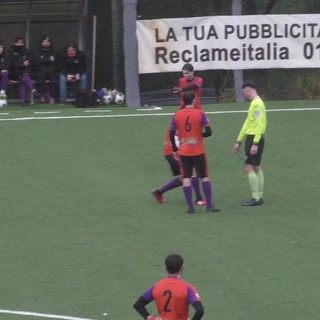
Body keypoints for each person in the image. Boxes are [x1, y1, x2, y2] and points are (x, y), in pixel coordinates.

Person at [170, 91, 220, 213]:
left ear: (183, 101)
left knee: (186, 177)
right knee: (204, 177)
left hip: (184, 151)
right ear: (194, 100)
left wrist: (175, 149)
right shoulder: (200, 113)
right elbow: (209, 132)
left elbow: (172, 134)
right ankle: (209, 206)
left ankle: (191, 208)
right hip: (198, 150)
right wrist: (199, 135)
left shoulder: (177, 115)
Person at [133, 254, 204, 320]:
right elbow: (199, 311)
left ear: (166, 268)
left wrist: (151, 318)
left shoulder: (156, 286)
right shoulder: (188, 289)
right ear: (182, 268)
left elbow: (138, 305)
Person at [152, 125, 207, 206]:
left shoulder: (179, 119)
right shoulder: (182, 122)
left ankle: (159, 192)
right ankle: (199, 199)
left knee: (185, 177)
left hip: (171, 152)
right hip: (174, 152)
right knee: (192, 172)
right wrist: (195, 140)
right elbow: (179, 141)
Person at [232, 80, 267, 206]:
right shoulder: (255, 103)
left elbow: (261, 125)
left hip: (254, 138)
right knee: (256, 166)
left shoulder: (257, 104)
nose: (244, 95)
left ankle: (256, 197)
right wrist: (239, 141)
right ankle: (259, 196)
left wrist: (255, 143)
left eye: (244, 92)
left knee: (248, 167)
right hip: (252, 138)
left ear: (248, 89)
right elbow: (247, 123)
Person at [8, 36, 37, 106]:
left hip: (23, 73)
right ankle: (33, 90)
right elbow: (11, 64)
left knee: (23, 78)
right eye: (18, 43)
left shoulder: (26, 51)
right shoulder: (10, 51)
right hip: (13, 73)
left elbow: (30, 63)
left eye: (21, 43)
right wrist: (22, 64)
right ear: (14, 43)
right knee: (23, 76)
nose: (19, 44)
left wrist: (25, 68)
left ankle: (23, 101)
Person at [32, 36, 59, 104]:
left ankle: (52, 97)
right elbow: (35, 64)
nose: (46, 43)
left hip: (52, 71)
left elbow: (57, 64)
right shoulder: (37, 52)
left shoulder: (54, 52)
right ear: (41, 43)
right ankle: (43, 95)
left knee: (55, 79)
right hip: (40, 71)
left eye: (47, 41)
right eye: (44, 41)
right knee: (40, 78)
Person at [59, 40, 87, 105]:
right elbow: (61, 67)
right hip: (67, 73)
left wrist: (79, 74)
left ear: (76, 50)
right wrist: (67, 75)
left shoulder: (81, 55)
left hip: (78, 73)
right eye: (69, 50)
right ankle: (63, 99)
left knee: (84, 78)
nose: (71, 52)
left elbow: (83, 67)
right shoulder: (63, 55)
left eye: (73, 50)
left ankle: (82, 97)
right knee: (62, 78)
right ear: (67, 50)